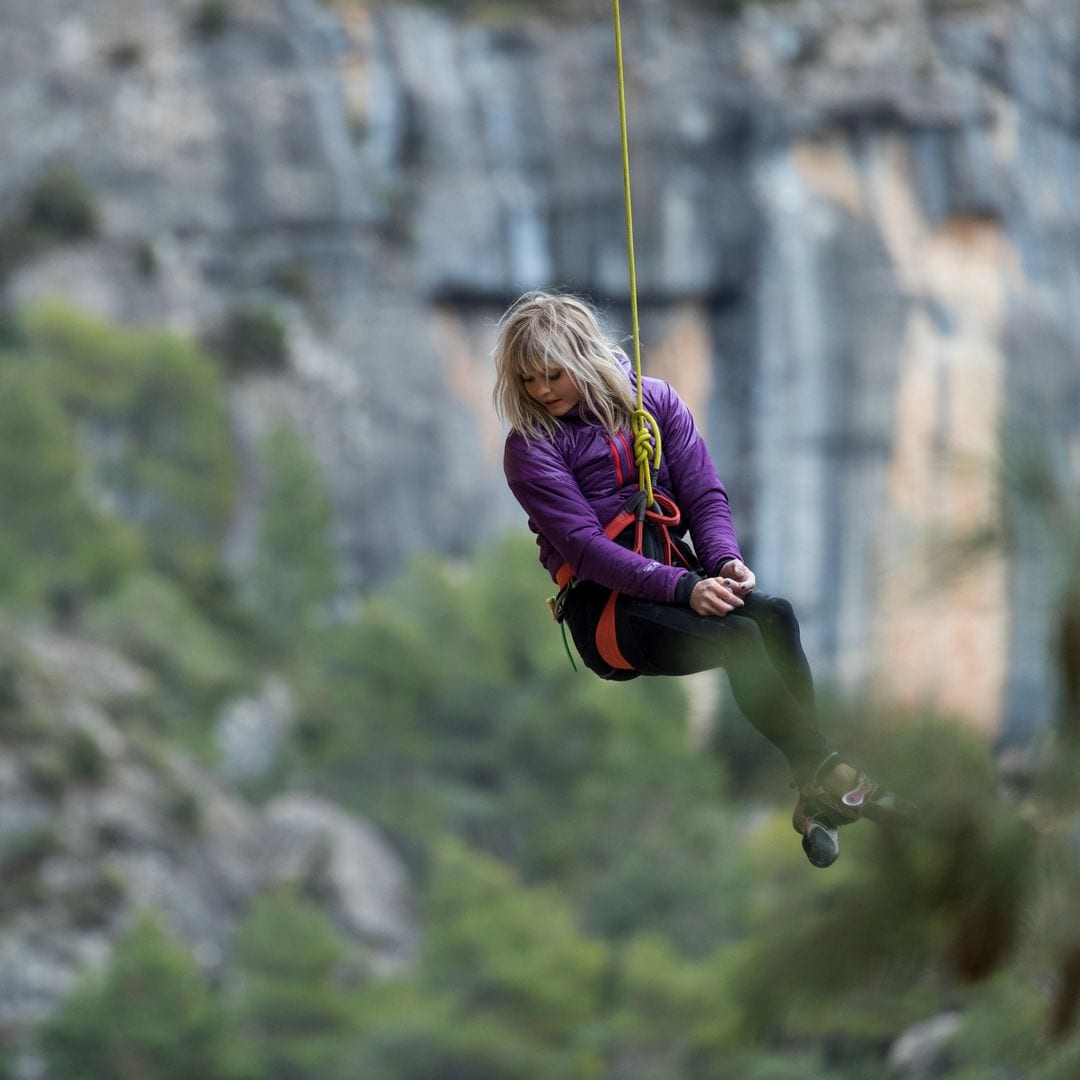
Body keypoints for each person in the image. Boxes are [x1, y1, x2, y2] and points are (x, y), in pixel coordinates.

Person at [492, 290, 915, 868]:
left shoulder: (655, 404)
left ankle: (814, 792)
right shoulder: (531, 448)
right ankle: (828, 771)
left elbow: (703, 496)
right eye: (527, 380)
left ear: (585, 360)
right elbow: (586, 550)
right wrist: (684, 587)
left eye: (552, 375)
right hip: (609, 613)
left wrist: (721, 561)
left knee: (774, 614)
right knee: (739, 640)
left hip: (674, 575)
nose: (541, 391)